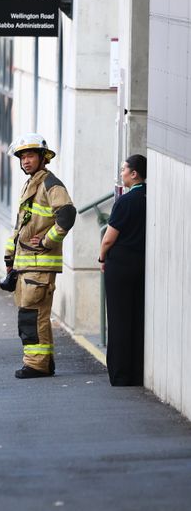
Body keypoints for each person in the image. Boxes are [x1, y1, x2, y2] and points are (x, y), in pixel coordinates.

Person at [4, 133, 77, 379]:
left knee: (32, 316)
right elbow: (21, 226)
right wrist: (9, 258)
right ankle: (43, 363)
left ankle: (36, 365)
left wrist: (47, 241)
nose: (25, 161)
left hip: (38, 267)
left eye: (30, 155)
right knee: (34, 316)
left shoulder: (49, 183)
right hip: (27, 266)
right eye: (22, 157)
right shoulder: (32, 183)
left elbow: (67, 215)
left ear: (43, 158)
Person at [99, 154, 147, 386]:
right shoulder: (150, 198)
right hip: (142, 263)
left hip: (120, 265)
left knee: (118, 319)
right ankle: (138, 372)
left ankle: (120, 374)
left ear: (134, 173)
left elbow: (108, 239)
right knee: (138, 317)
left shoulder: (125, 202)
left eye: (124, 169)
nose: (122, 173)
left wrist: (101, 257)